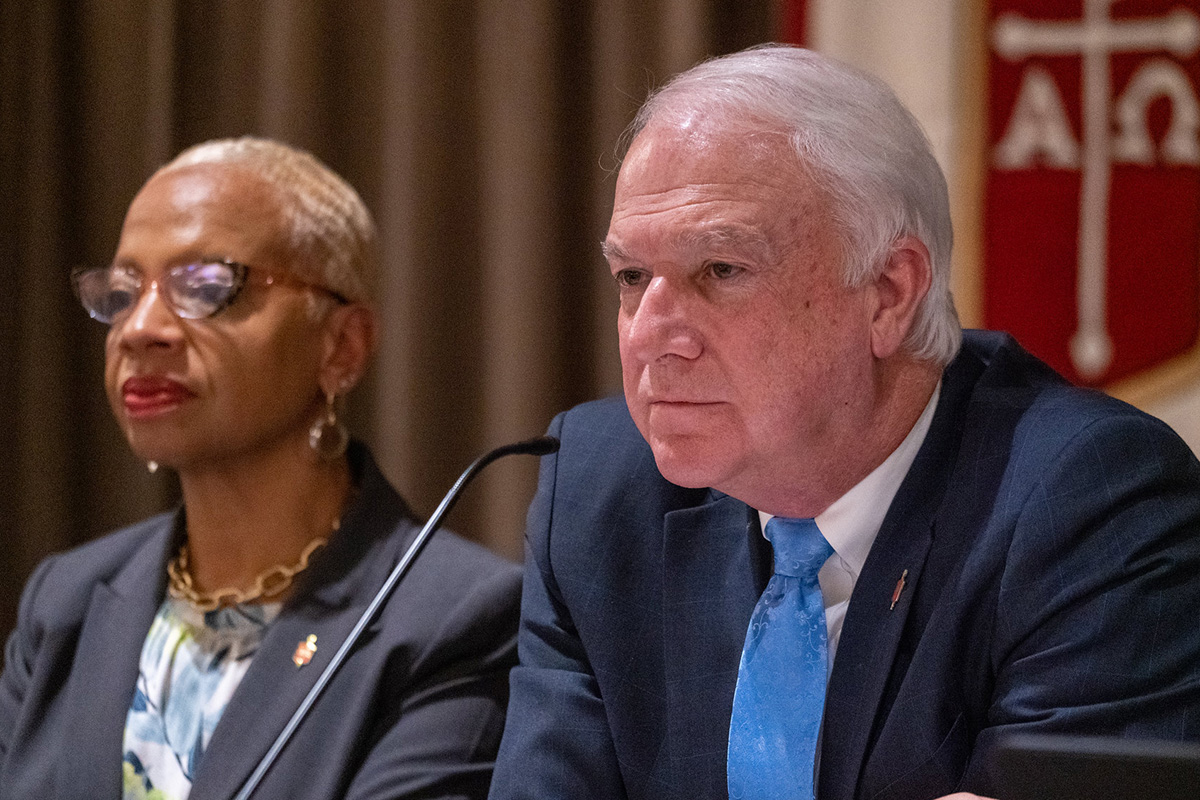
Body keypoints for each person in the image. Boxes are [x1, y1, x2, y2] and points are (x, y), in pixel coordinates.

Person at [488, 44, 1200, 800]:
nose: (650, 334)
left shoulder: (1090, 502)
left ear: (889, 292)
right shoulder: (600, 495)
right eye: (633, 277)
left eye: (720, 270)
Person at [0, 137, 521, 800]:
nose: (139, 330)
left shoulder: (457, 620)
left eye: (207, 286)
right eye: (124, 293)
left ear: (341, 345)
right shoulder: (66, 601)